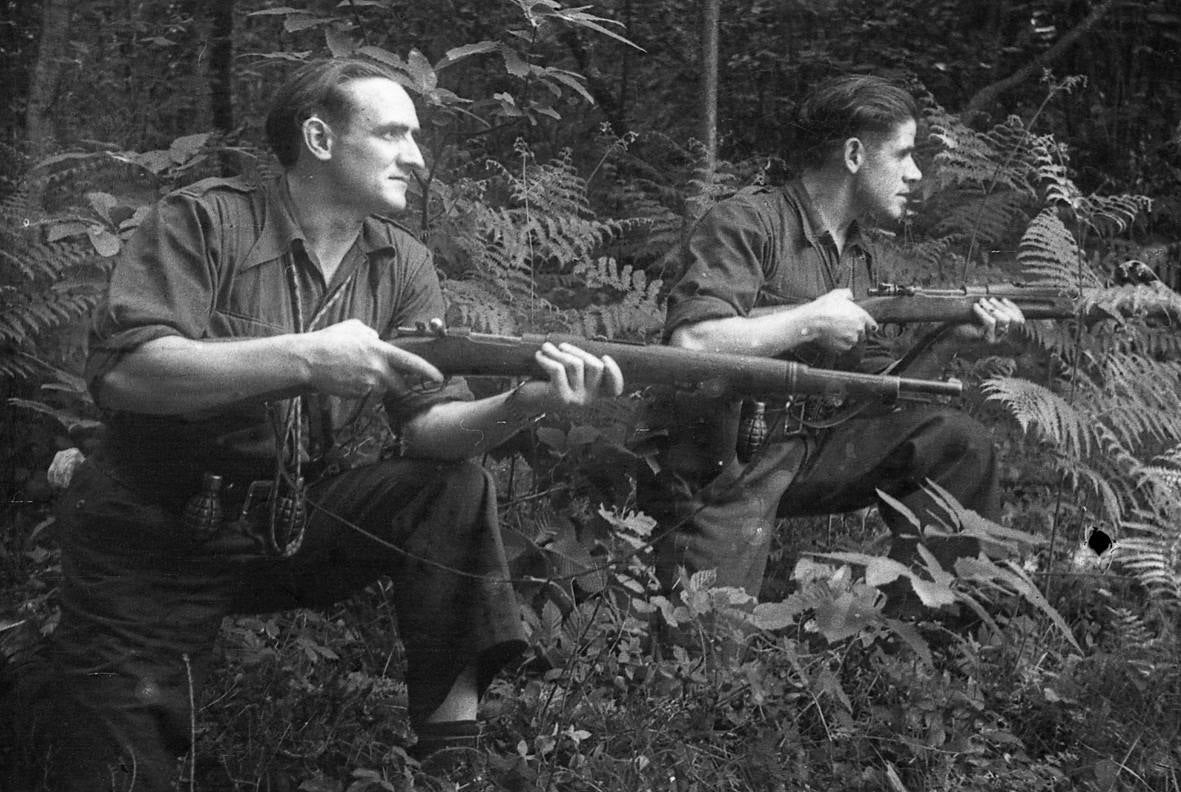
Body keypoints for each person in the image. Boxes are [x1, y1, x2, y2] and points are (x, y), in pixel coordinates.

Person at [5, 57, 624, 791]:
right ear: (319, 138)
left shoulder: (403, 263)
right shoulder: (202, 220)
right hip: (149, 539)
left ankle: (449, 762)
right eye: (392, 133)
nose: (416, 158)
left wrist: (523, 404)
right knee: (118, 775)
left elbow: (427, 429)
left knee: (450, 488)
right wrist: (303, 357)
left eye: (415, 137)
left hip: (289, 529)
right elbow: (128, 375)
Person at [639, 74, 1025, 597]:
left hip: (810, 450)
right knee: (706, 649)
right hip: (725, 467)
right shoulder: (747, 223)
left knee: (956, 443)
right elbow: (692, 344)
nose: (915, 174)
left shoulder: (859, 256)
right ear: (853, 154)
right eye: (903, 154)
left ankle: (923, 628)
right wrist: (811, 319)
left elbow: (882, 394)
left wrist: (952, 339)